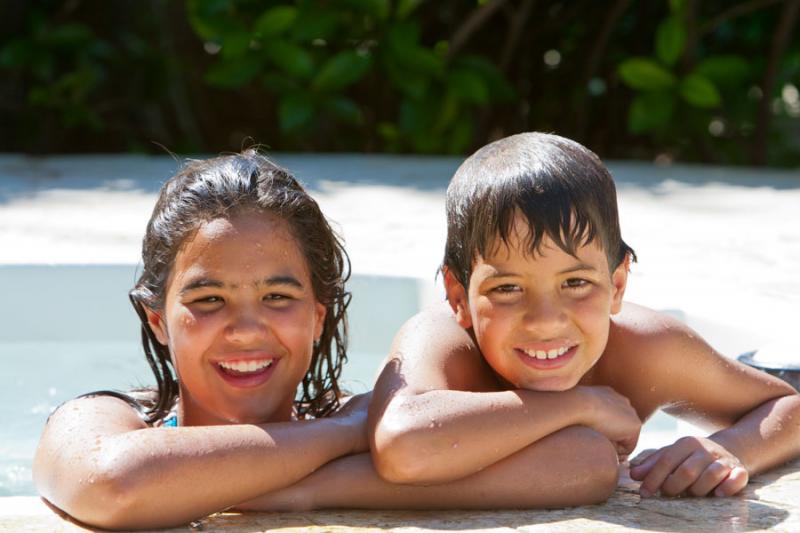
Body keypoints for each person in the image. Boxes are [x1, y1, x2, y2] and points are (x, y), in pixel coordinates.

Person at [33, 150, 617, 530]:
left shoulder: (376, 424)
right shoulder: (109, 417)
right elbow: (111, 484)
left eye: (279, 298)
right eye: (208, 300)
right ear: (157, 319)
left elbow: (582, 462)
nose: (245, 329)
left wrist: (303, 481)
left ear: (319, 316)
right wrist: (347, 435)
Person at [369, 132, 800, 503]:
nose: (545, 321)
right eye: (507, 289)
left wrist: (730, 449)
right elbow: (401, 444)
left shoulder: (642, 349)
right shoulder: (443, 342)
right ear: (457, 295)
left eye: (575, 283)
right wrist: (582, 405)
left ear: (617, 285)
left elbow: (787, 406)